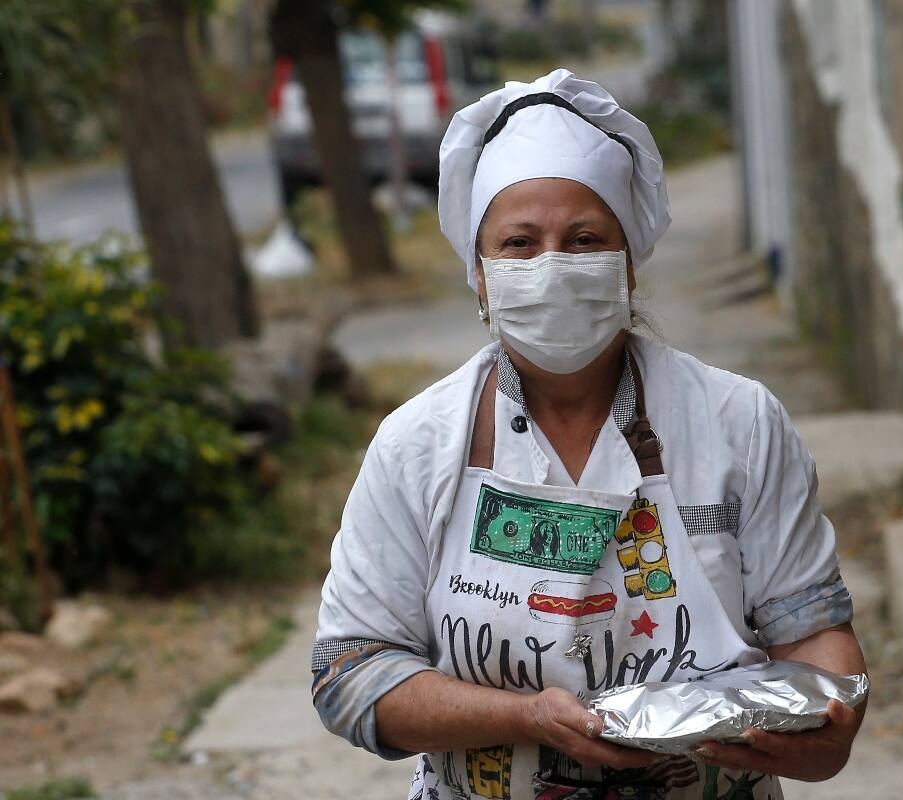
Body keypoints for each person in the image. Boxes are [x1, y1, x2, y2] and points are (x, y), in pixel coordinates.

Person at [310, 69, 868, 800]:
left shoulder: (738, 422)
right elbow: (351, 676)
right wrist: (525, 717)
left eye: (583, 239)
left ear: (628, 265)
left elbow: (814, 636)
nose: (553, 267)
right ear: (479, 275)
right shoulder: (417, 445)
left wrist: (827, 721)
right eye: (519, 243)